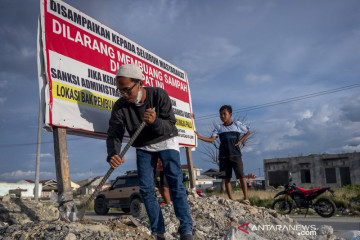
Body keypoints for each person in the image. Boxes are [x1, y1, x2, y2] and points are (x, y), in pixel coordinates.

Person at [106, 64, 193, 240]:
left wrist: (156, 122)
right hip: (143, 147)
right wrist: (113, 153)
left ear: (139, 83)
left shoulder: (158, 95)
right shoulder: (120, 107)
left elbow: (170, 124)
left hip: (166, 141)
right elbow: (114, 133)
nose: (124, 94)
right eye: (120, 91)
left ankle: (186, 229)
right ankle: (158, 231)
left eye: (127, 90)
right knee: (146, 189)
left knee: (175, 184)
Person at [195, 105, 251, 205]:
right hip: (223, 156)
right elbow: (212, 139)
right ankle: (231, 199)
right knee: (226, 177)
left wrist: (240, 141)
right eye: (221, 114)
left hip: (236, 155)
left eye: (224, 114)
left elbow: (248, 132)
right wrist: (199, 137)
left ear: (230, 114)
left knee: (241, 176)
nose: (222, 116)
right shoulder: (219, 127)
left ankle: (246, 198)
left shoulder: (237, 124)